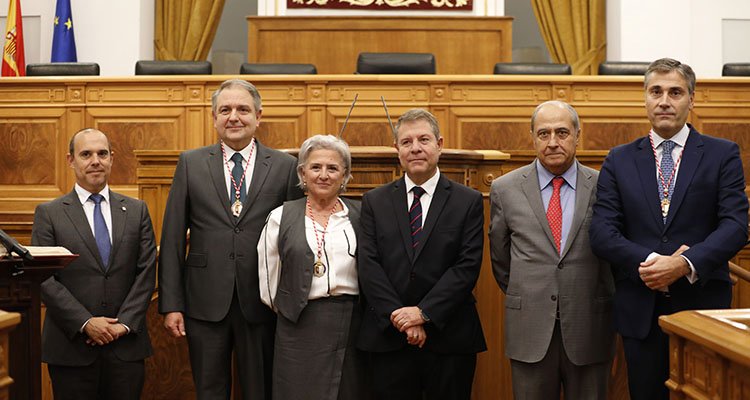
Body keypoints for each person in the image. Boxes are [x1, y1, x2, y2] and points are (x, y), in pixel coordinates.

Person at [590, 57, 749, 400]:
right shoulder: (619, 159)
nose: (664, 100)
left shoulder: (722, 154)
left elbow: (736, 225)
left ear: (692, 99)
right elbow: (602, 231)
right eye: (656, 91)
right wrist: (653, 263)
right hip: (640, 310)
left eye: (675, 92)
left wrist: (683, 264)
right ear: (645, 98)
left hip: (703, 307)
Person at [158, 79, 303, 400]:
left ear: (258, 116)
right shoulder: (191, 163)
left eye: (242, 109)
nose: (233, 117)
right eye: (225, 110)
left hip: (263, 302)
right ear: (214, 117)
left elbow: (295, 240)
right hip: (204, 301)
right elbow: (171, 237)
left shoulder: (284, 167)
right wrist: (171, 304)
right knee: (209, 391)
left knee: (259, 390)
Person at [357, 108, 486, 400]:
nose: (415, 148)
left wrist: (423, 313)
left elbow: (466, 266)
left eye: (424, 140)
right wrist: (400, 317)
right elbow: (369, 265)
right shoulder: (374, 201)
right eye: (406, 142)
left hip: (449, 336)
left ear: (439, 144)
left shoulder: (468, 201)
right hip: (388, 337)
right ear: (397, 149)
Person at [489, 101, 615, 399]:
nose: (553, 142)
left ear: (577, 135)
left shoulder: (604, 186)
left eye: (562, 132)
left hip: (590, 325)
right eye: (543, 134)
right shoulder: (505, 189)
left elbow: (614, 258)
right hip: (530, 327)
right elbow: (500, 256)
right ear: (532, 137)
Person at [32, 128, 157, 400]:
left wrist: (122, 325)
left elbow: (147, 272)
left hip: (126, 348)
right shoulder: (49, 214)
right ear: (71, 160)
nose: (95, 160)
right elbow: (43, 278)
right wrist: (86, 322)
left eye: (102, 153)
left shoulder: (137, 211)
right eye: (86, 154)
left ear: (112, 158)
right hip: (71, 348)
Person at [257, 134, 368, 400]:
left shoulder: (362, 216)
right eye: (316, 167)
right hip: (298, 325)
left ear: (345, 176)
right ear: (302, 173)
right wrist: (289, 307)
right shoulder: (280, 216)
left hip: (350, 323)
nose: (324, 175)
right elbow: (267, 275)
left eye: (333, 168)